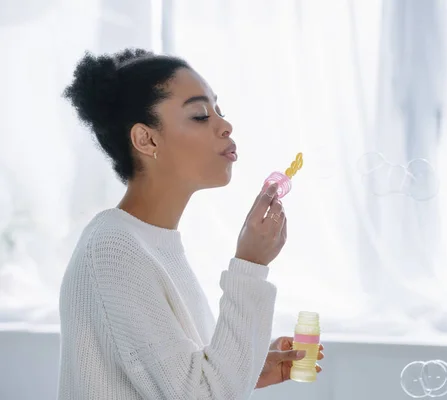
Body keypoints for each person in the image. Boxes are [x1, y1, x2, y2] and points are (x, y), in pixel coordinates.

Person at [57, 48, 323, 399]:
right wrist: (250, 264)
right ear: (146, 139)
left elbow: (188, 379)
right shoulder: (114, 248)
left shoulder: (153, 243)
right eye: (200, 115)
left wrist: (249, 370)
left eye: (219, 111)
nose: (225, 125)